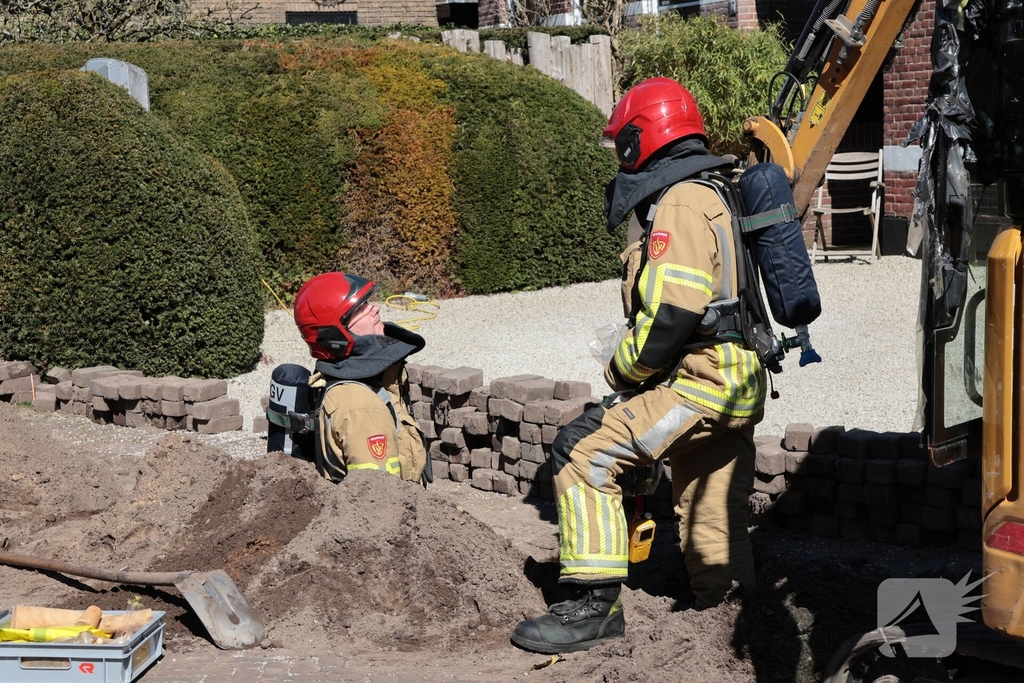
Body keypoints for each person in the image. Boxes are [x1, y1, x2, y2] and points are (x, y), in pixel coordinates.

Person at [511, 77, 765, 654]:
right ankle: (726, 618)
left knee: (582, 451)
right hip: (737, 379)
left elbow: (673, 313)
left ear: (638, 139)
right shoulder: (716, 190)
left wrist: (623, 373)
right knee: (710, 494)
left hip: (701, 383)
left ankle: (593, 607)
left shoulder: (678, 200)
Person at [292, 271, 429, 484]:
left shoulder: (358, 377)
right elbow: (378, 498)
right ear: (335, 334)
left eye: (368, 302)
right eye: (360, 308)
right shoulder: (361, 408)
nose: (375, 308)